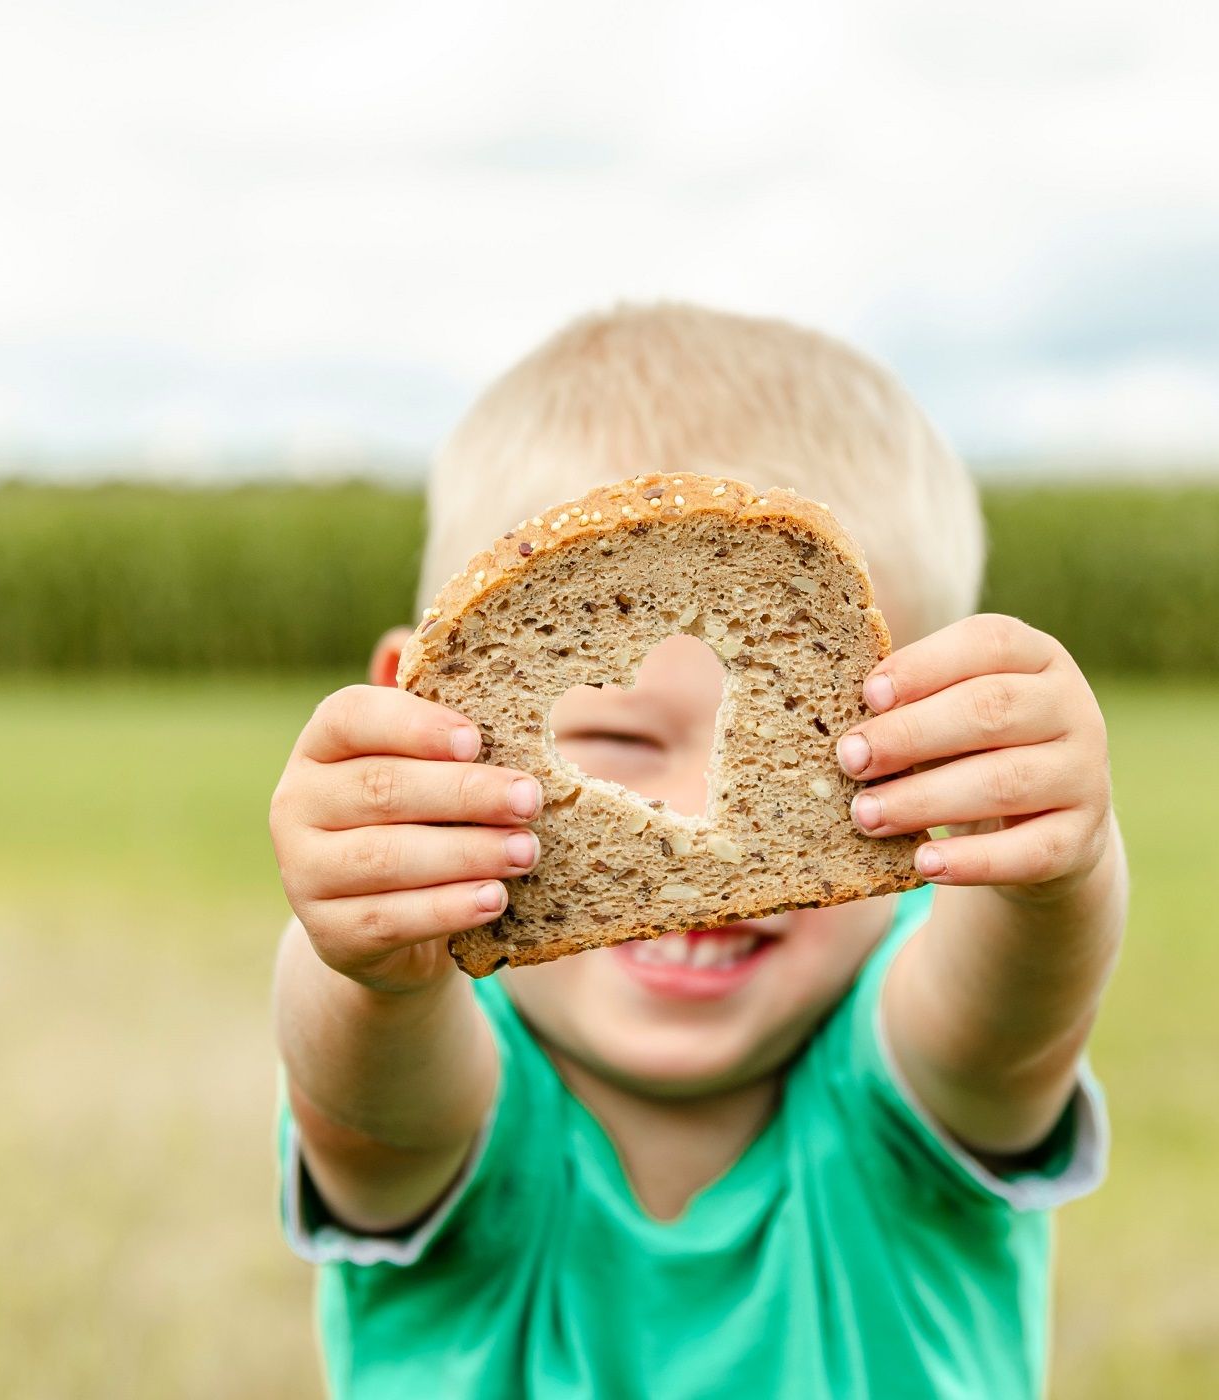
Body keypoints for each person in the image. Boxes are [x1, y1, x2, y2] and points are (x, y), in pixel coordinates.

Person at [268, 305, 1125, 1398]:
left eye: (800, 748)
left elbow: (1011, 1024)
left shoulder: (902, 1076)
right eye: (618, 744)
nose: (691, 823)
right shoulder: (443, 1067)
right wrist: (365, 959)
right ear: (417, 713)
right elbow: (364, 1111)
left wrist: (1058, 866)